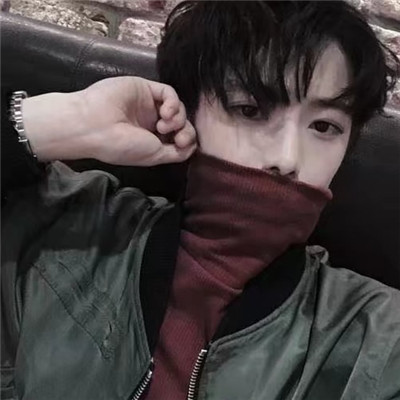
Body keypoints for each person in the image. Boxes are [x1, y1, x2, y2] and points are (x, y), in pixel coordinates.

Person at [2, 1, 400, 400]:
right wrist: (63, 119)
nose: (287, 159)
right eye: (250, 109)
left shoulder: (378, 339)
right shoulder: (63, 226)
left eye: (324, 127)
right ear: (188, 114)